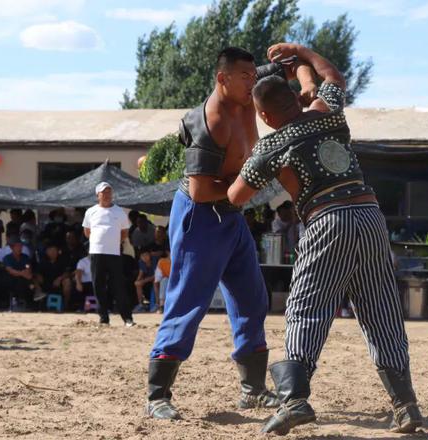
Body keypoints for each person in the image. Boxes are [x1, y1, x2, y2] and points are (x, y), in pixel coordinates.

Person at [228, 42, 422, 434]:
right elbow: (332, 78)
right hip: (369, 216)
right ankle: (406, 406)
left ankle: (295, 400)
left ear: (264, 115)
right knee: (380, 307)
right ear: (298, 99)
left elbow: (235, 197)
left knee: (305, 308)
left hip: (326, 220)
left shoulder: (271, 146)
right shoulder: (327, 114)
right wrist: (301, 54)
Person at [145, 47, 316, 419]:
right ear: (222, 79)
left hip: (233, 216)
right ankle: (158, 394)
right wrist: (244, 186)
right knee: (188, 301)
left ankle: (252, 390)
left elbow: (295, 66)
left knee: (252, 298)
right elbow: (200, 191)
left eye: (255, 76)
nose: (253, 83)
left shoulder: (250, 85)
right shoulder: (210, 122)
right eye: (245, 78)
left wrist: (300, 61)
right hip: (200, 217)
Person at [83, 182, 134, 327]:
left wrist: (112, 241)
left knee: (118, 285)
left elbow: (124, 232)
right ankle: (104, 318)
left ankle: (127, 318)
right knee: (98, 285)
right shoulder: (90, 211)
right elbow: (87, 231)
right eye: (103, 193)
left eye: (109, 192)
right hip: (97, 252)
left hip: (114, 253)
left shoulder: (119, 212)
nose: (107, 195)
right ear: (97, 195)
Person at [2, 237, 34, 310]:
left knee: (30, 281)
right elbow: (10, 270)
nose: (20, 248)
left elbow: (28, 268)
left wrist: (24, 273)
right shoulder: (7, 258)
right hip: (11, 280)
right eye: (17, 246)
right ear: (12, 247)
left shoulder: (25, 257)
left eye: (21, 246)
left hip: (24, 279)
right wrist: (22, 273)